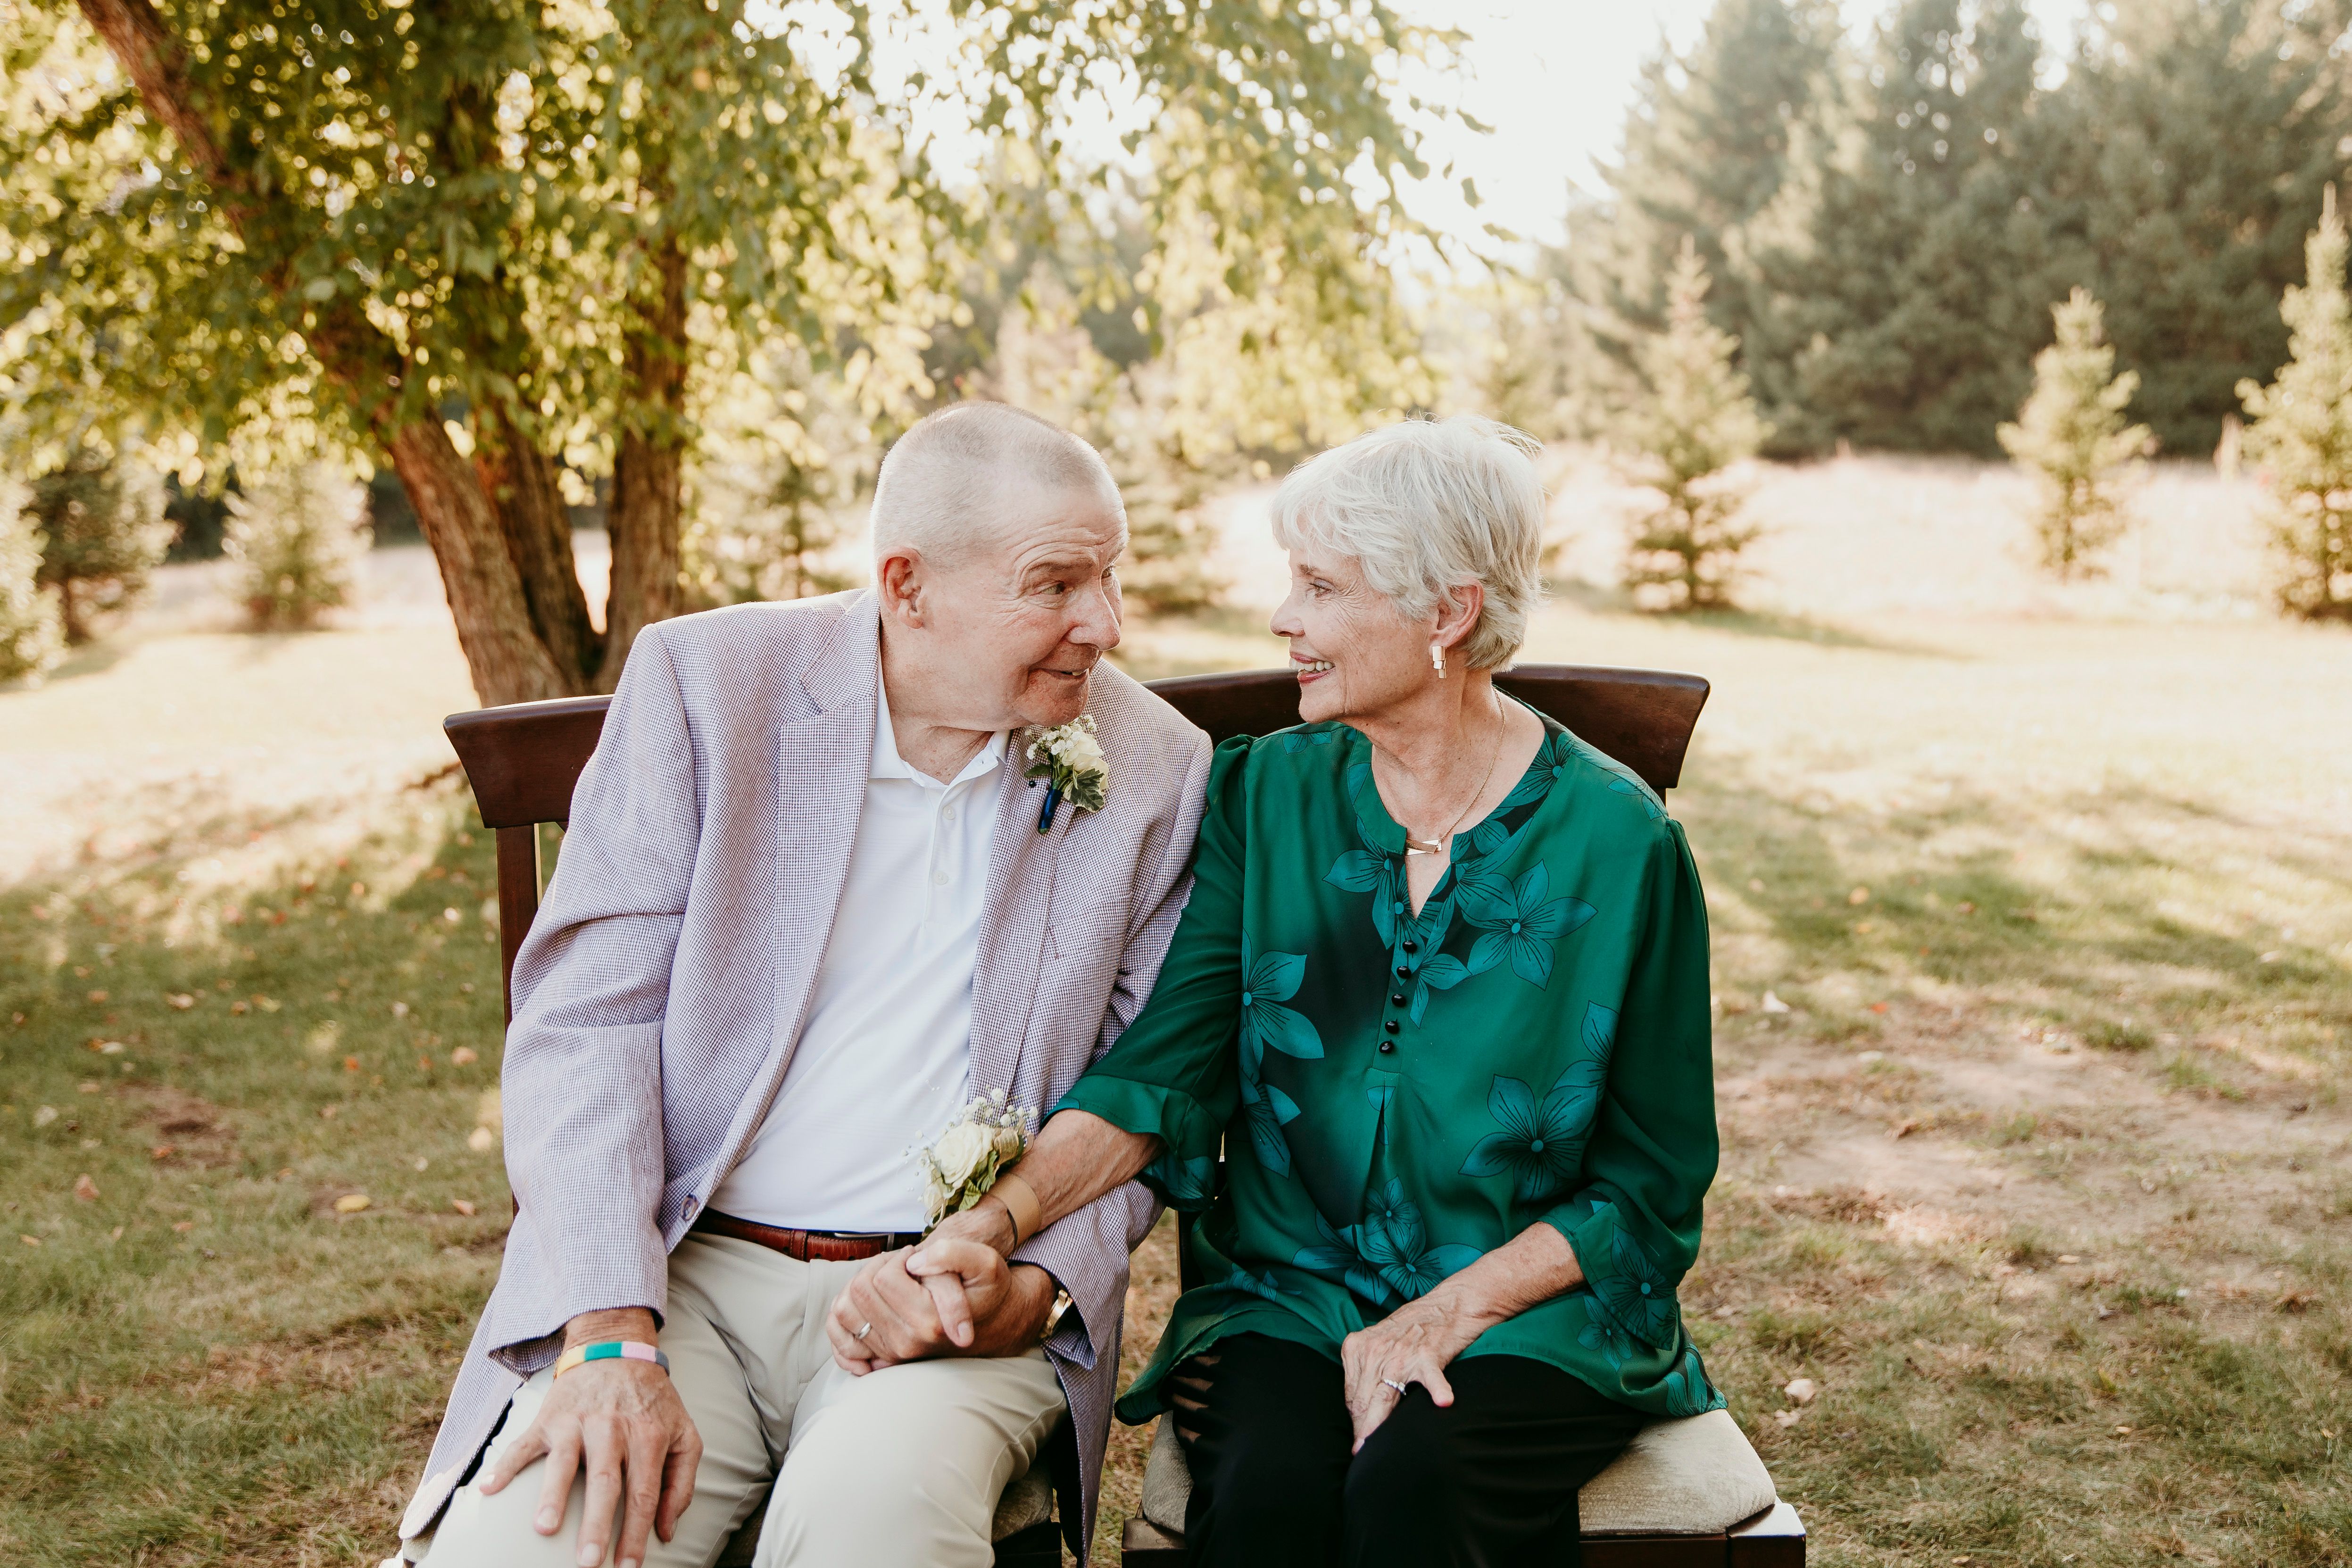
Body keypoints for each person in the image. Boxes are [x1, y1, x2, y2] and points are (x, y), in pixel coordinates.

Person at [389, 402, 1213, 1568]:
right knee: (530, 1550)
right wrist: (612, 1333)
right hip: (682, 1272)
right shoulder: (708, 685)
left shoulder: (1155, 766)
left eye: (1109, 575)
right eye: (1056, 585)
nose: (1106, 624)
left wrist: (1028, 1288)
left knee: (873, 1529)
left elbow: (1136, 1097)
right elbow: (586, 1027)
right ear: (907, 585)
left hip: (937, 1300)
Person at [909, 415, 1723, 1568]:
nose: (1283, 617)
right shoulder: (1263, 800)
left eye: (1321, 586)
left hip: (1530, 1308)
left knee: (1415, 1487)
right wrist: (995, 1219)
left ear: (1447, 613)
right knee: (1269, 1495)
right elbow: (1164, 1068)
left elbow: (1650, 1183)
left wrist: (1448, 1312)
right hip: (1287, 1290)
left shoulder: (1623, 846)